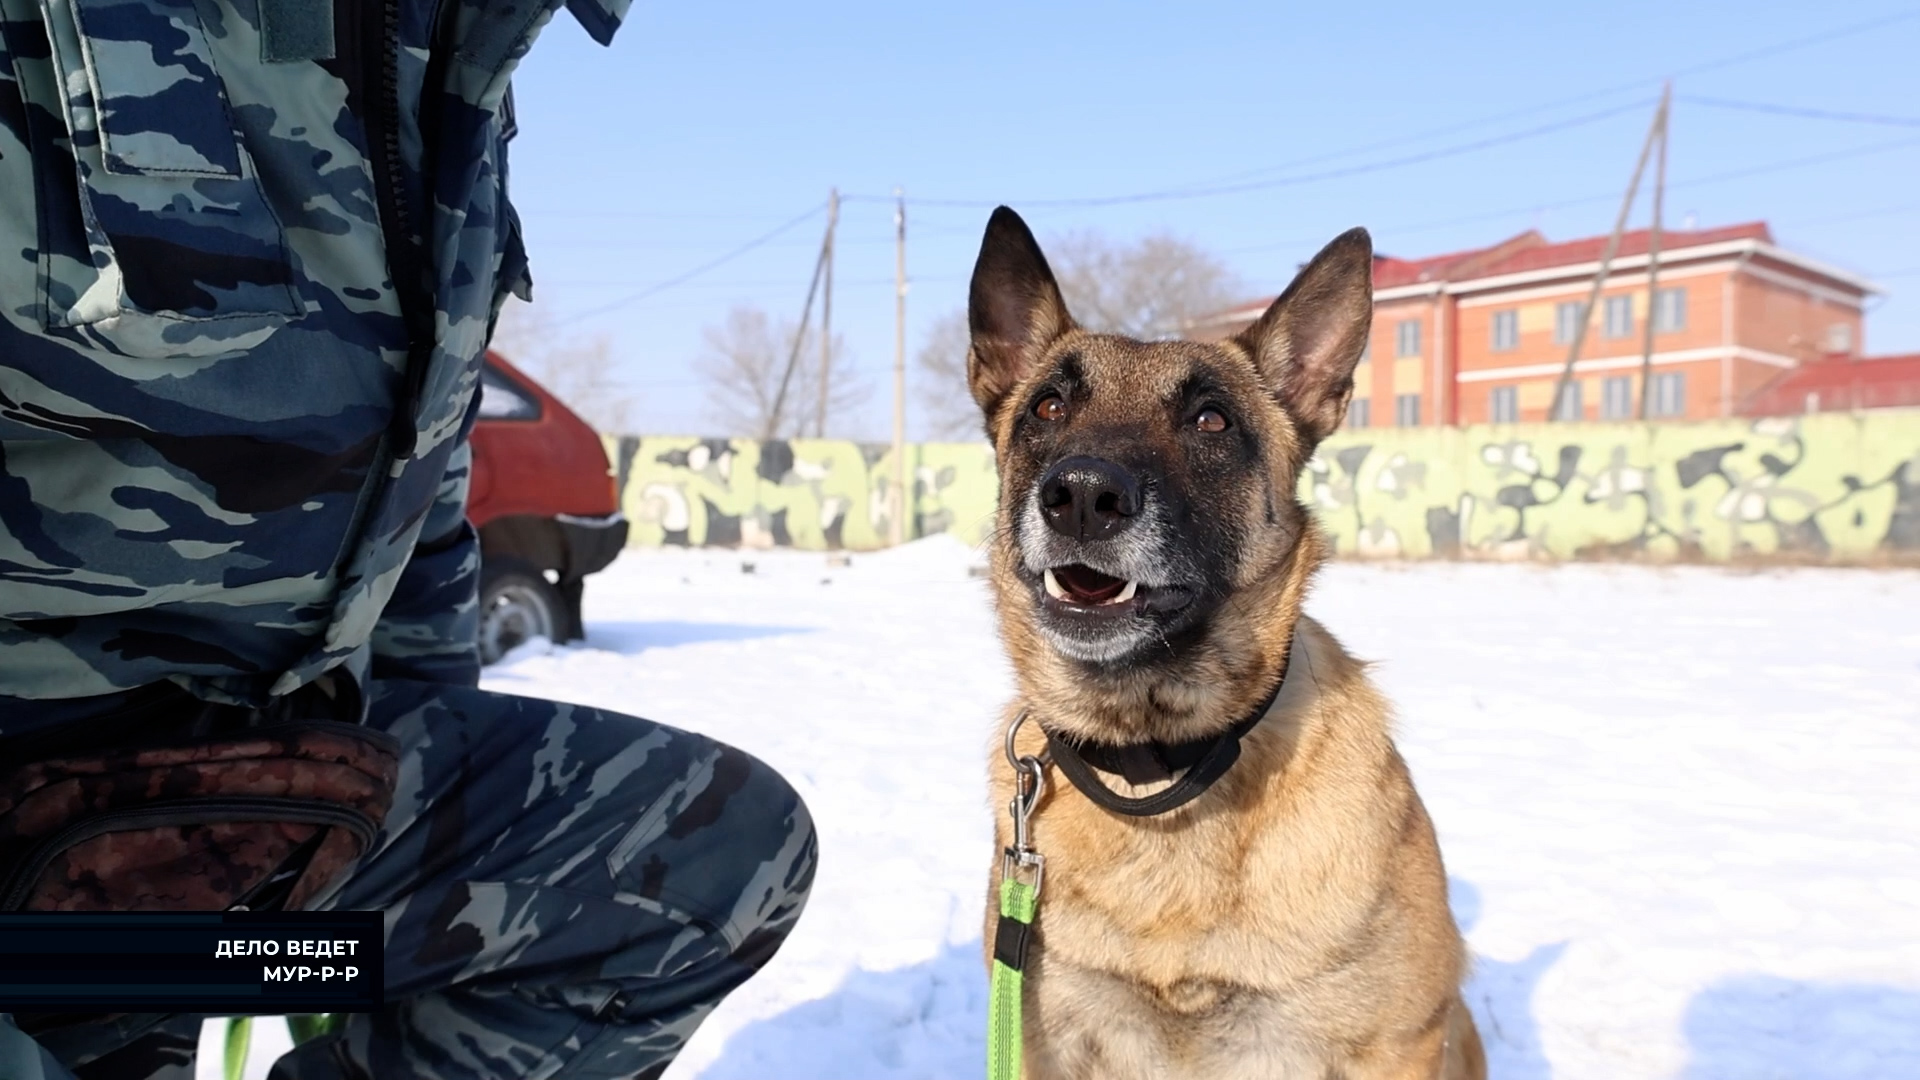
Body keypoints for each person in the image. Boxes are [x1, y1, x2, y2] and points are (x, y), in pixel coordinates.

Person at [0, 0, 816, 1074]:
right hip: (33, 813)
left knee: (708, 860)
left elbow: (417, 477)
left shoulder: (456, 41)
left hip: (230, 835)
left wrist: (372, 854)